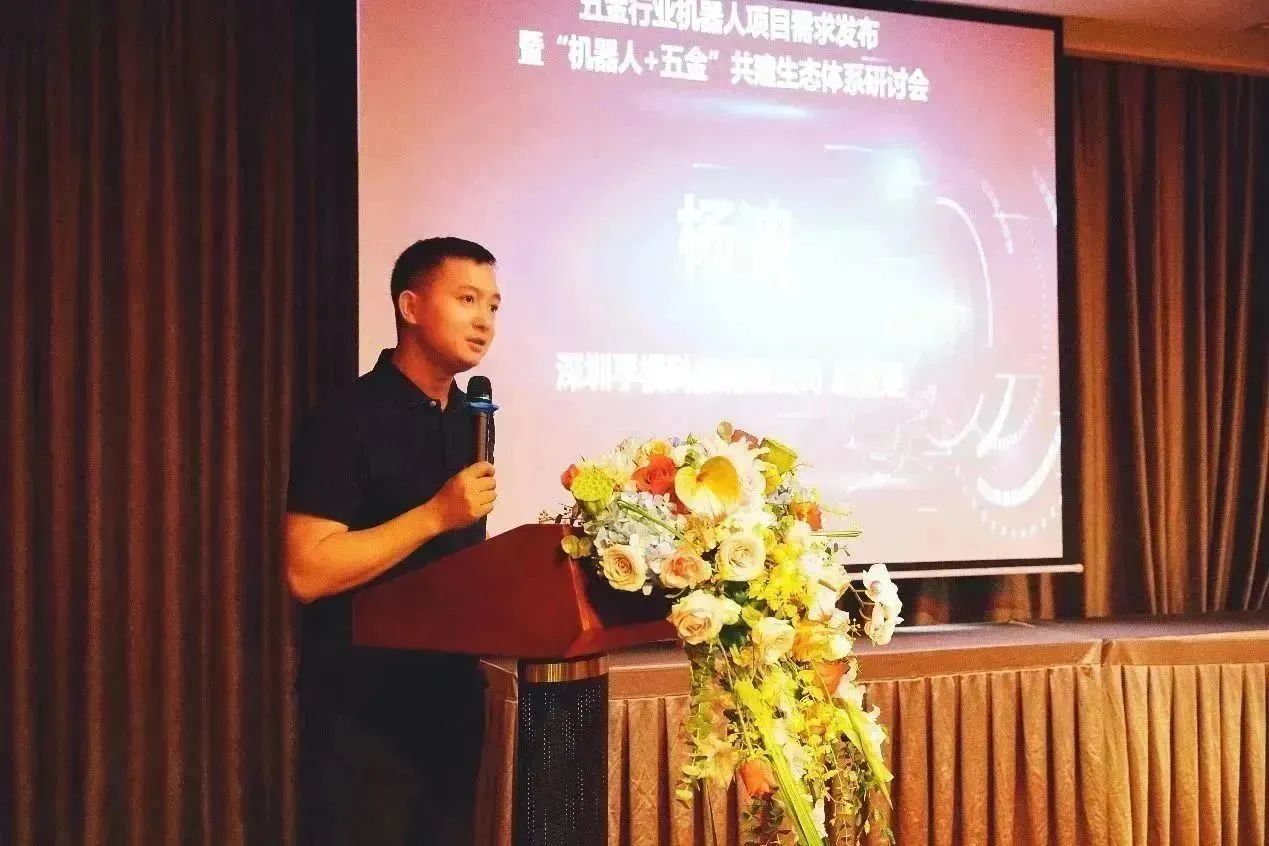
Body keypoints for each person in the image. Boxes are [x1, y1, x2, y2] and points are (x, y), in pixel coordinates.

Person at [284, 237, 501, 844]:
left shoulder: (472, 420)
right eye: (467, 299)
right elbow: (306, 570)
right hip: (363, 715)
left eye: (493, 305)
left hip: (453, 704)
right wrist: (434, 515)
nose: (484, 320)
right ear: (410, 306)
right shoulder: (345, 417)